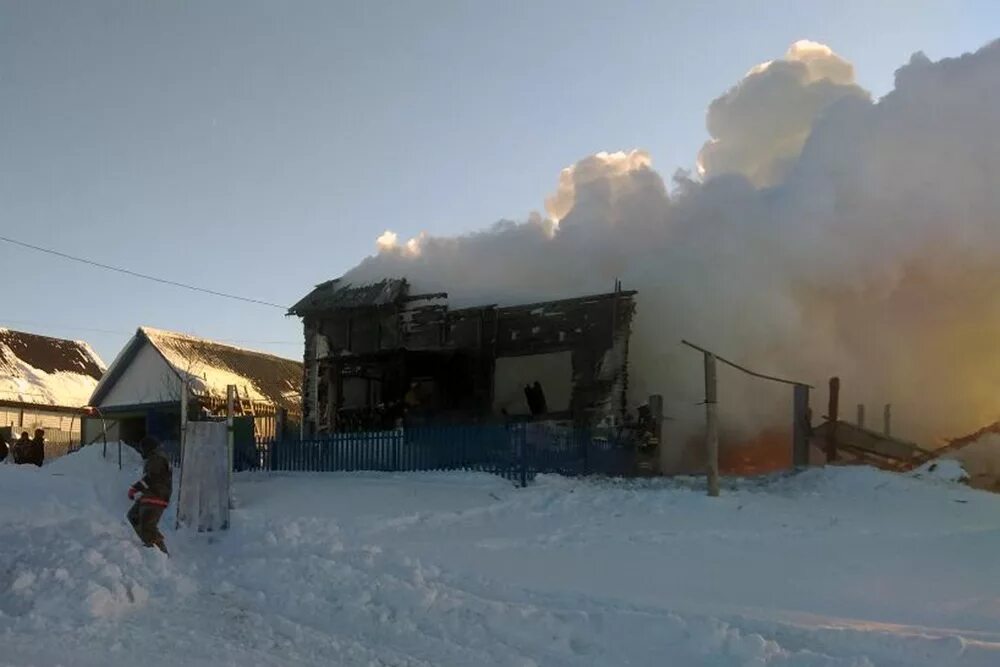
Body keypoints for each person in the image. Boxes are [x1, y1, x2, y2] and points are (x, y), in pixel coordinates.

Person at [126, 436, 172, 554]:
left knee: (148, 526)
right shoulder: (155, 458)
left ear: (148, 448)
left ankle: (160, 553)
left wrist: (136, 488)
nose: (142, 452)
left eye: (143, 449)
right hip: (151, 495)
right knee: (133, 516)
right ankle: (149, 543)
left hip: (156, 496)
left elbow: (152, 478)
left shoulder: (157, 458)